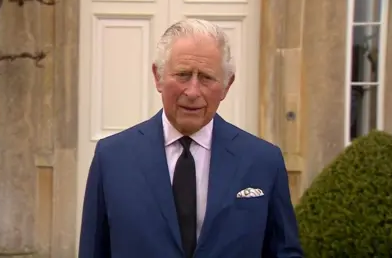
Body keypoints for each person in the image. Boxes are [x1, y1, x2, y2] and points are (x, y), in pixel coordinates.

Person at [79, 18, 304, 258]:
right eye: (183, 75)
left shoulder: (263, 161)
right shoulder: (112, 158)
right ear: (158, 77)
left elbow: (284, 251)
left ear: (227, 86)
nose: (193, 92)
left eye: (206, 77)